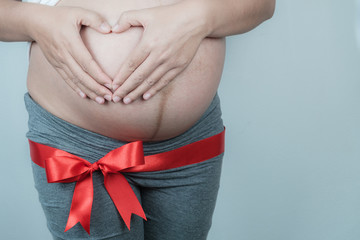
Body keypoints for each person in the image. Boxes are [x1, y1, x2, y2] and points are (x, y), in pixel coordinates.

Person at [0, 0, 275, 239]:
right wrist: (34, 19)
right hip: (76, 145)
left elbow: (263, 4)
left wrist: (201, 16)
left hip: (189, 149)